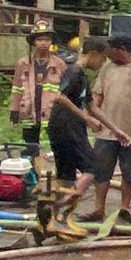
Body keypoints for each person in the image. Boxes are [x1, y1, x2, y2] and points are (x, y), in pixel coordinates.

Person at [83, 35, 131, 222]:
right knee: (101, 171)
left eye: (110, 51)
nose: (107, 55)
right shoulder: (106, 68)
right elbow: (97, 95)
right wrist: (90, 117)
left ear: (121, 50)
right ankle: (99, 208)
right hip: (106, 131)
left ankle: (124, 208)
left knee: (130, 172)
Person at [47, 37, 106, 210]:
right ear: (93, 54)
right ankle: (67, 199)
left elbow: (91, 106)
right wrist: (86, 118)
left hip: (63, 126)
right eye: (102, 59)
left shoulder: (82, 76)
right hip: (67, 126)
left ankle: (54, 214)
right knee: (94, 166)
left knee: (66, 174)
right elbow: (60, 96)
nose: (102, 64)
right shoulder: (74, 71)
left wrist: (117, 131)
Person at [8, 22, 66, 158]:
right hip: (29, 109)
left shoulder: (59, 64)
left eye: (47, 39)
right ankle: (31, 168)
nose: (43, 43)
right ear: (33, 42)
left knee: (57, 144)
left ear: (51, 42)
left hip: (51, 111)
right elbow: (16, 88)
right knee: (29, 146)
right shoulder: (23, 63)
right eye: (40, 39)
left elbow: (65, 89)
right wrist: (14, 110)